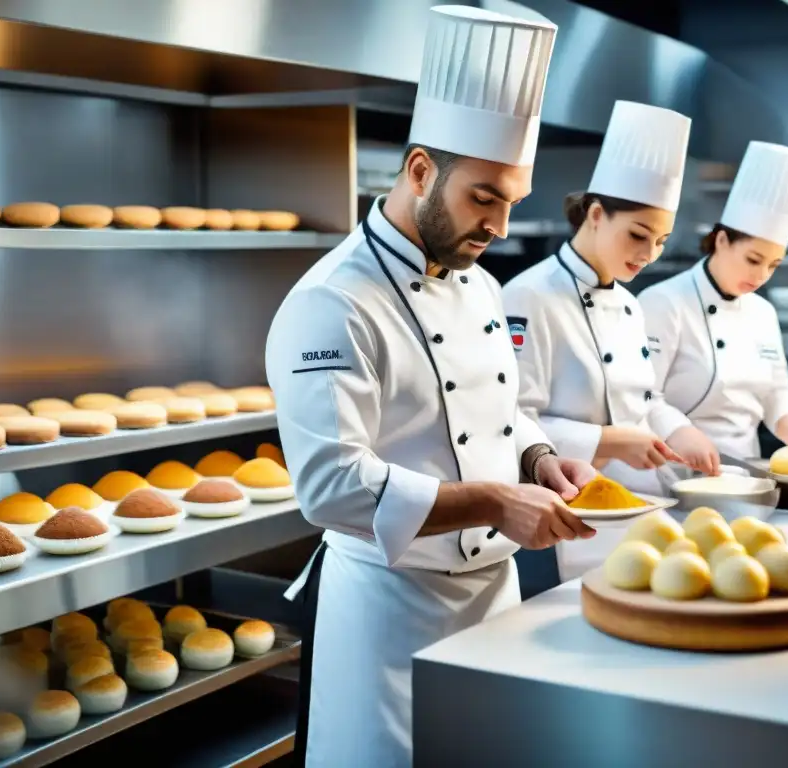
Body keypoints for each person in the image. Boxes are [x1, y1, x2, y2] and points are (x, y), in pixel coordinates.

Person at [265, 7, 597, 767]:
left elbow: (496, 407)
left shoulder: (478, 285)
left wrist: (539, 461)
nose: (503, 225)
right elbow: (330, 486)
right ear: (420, 171)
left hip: (493, 598)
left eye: (513, 199)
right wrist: (493, 501)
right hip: (389, 612)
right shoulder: (333, 303)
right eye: (485, 197)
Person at [503, 100, 714, 582]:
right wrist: (611, 442)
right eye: (638, 235)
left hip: (639, 509)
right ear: (596, 214)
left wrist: (677, 427)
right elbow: (511, 418)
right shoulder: (528, 296)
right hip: (569, 519)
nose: (649, 254)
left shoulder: (628, 303)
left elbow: (644, 398)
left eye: (660, 241)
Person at [638, 141, 788, 464]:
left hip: (745, 472)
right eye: (753, 259)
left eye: (773, 265)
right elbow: (640, 395)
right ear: (722, 241)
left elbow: (776, 390)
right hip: (670, 469)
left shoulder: (763, 313)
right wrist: (679, 430)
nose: (762, 275)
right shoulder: (662, 302)